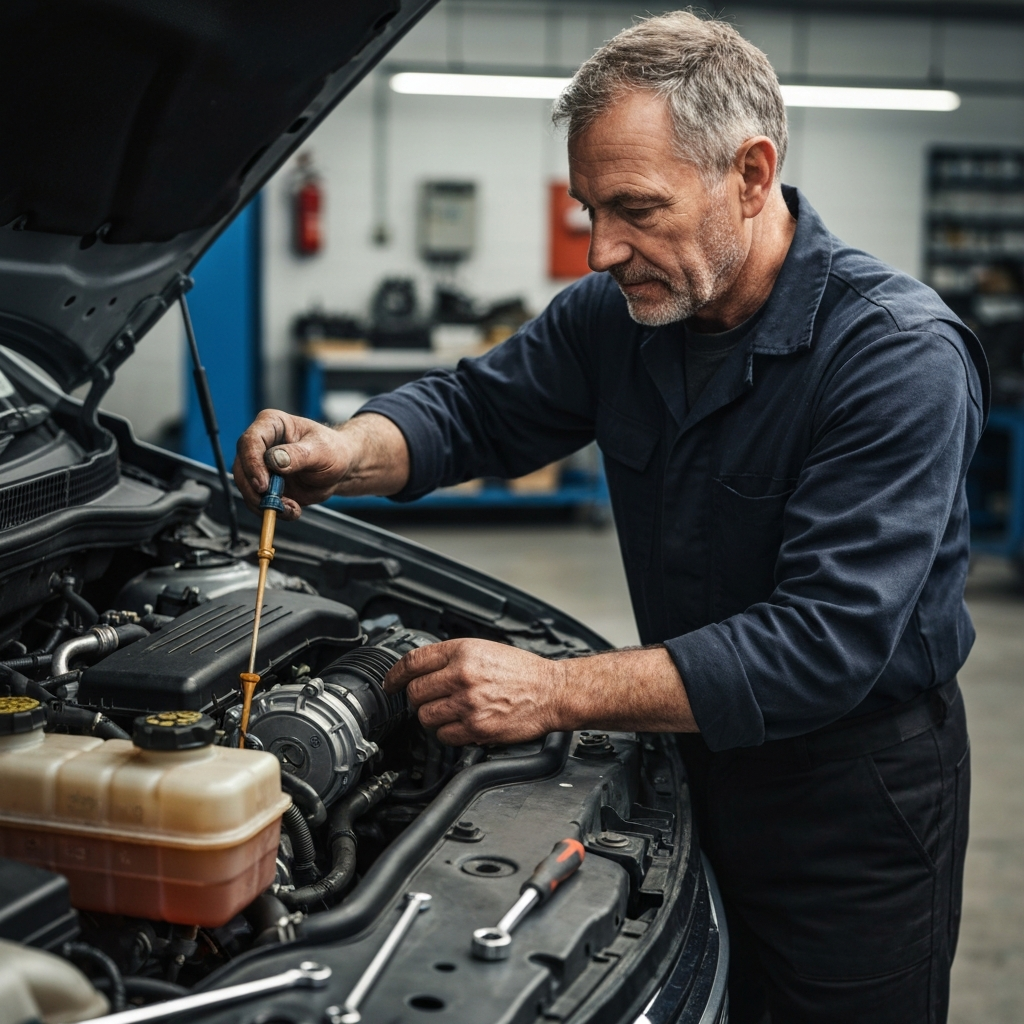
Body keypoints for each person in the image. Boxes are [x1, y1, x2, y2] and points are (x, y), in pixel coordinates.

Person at [235, 12, 987, 1022]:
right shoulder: (622, 316)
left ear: (752, 174)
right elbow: (476, 409)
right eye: (588, 208)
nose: (600, 250)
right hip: (684, 744)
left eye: (635, 208)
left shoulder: (892, 358)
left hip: (847, 800)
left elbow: (826, 640)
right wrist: (347, 446)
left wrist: (555, 690)